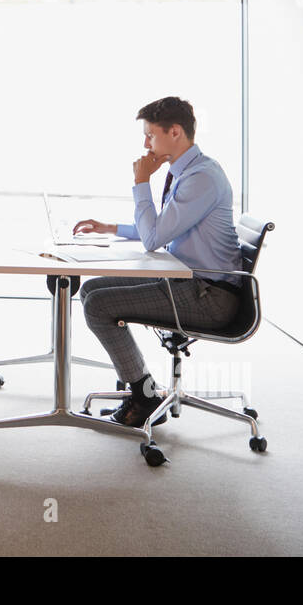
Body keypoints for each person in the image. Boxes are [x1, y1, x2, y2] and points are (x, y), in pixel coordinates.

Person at [72, 96, 243, 428]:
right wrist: (112, 228)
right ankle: (143, 389)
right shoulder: (190, 171)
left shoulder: (201, 178)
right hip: (190, 282)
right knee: (92, 289)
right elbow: (165, 228)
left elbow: (154, 238)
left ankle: (144, 396)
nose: (145, 143)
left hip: (209, 297)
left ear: (175, 132)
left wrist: (140, 182)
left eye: (150, 134)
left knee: (99, 306)